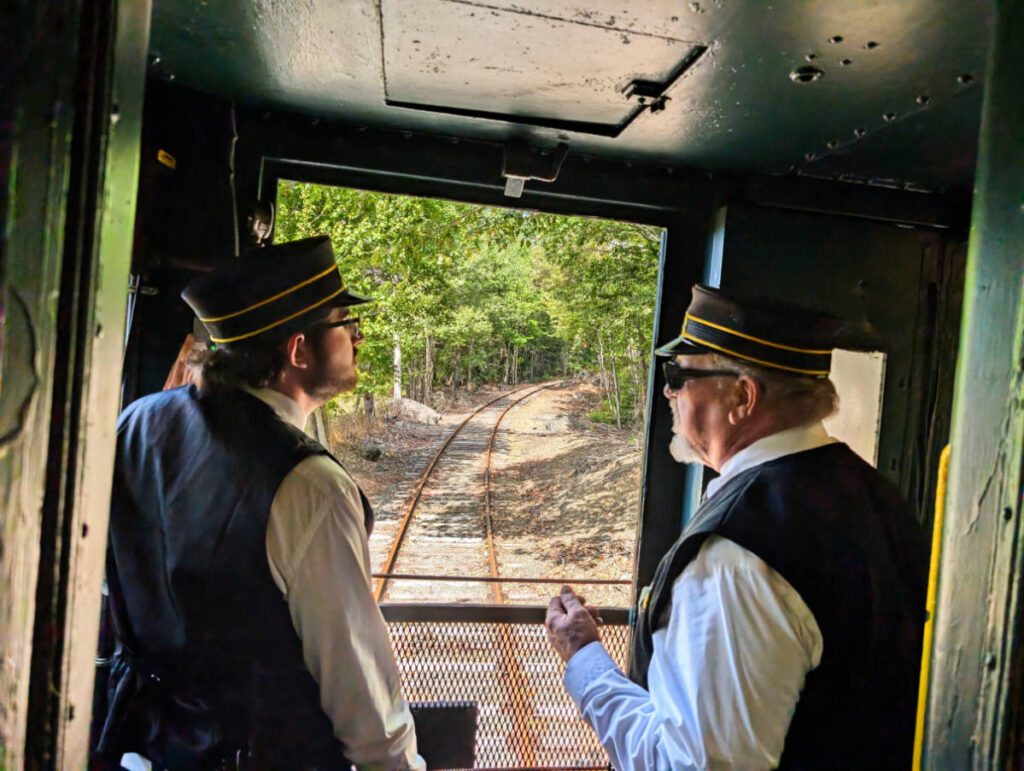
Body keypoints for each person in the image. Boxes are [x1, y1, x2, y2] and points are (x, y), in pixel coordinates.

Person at [545, 284, 927, 770]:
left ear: (743, 397)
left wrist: (585, 662)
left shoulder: (738, 556)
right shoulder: (874, 496)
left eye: (680, 374)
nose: (668, 390)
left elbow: (690, 765)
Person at [94, 236, 425, 770]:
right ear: (298, 351)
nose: (359, 336)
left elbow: (113, 578)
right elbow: (358, 687)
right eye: (344, 322)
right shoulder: (309, 484)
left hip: (143, 744)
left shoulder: (135, 424)